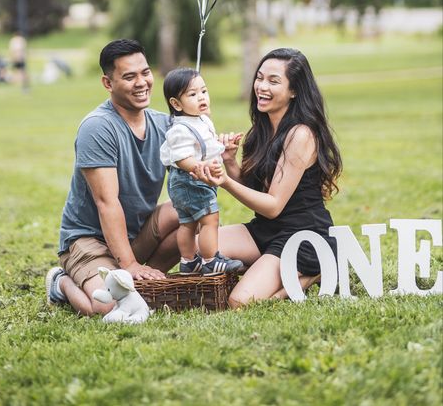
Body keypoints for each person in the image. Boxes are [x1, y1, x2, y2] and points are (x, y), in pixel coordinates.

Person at [196, 48, 342, 308]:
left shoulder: (301, 135)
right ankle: (265, 267)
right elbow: (257, 194)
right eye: (260, 78)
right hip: (265, 230)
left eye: (273, 81)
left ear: (294, 90)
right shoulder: (260, 131)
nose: (262, 86)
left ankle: (308, 275)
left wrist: (225, 182)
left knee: (239, 301)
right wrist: (230, 162)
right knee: (200, 246)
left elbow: (273, 206)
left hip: (303, 235)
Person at [45, 39, 180, 316]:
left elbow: (192, 181)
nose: (141, 82)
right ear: (108, 83)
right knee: (108, 305)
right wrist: (129, 264)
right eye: (129, 77)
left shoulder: (164, 124)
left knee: (184, 211)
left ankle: (133, 280)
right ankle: (61, 283)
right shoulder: (97, 128)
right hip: (90, 240)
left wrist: (213, 149)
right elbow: (107, 202)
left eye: (145, 72)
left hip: (134, 235)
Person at [160, 68, 243, 275]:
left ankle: (189, 262)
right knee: (209, 220)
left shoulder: (201, 120)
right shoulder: (179, 129)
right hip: (192, 179)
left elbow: (206, 145)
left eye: (204, 91)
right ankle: (210, 260)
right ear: (176, 104)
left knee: (187, 222)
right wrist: (199, 167)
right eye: (192, 94)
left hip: (189, 181)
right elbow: (181, 157)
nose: (202, 97)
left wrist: (224, 144)